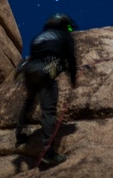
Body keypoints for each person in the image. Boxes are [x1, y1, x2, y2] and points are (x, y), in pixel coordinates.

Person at [15, 13, 78, 165]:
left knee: (29, 101)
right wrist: (73, 78)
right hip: (45, 72)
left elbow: (35, 54)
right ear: (63, 24)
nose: (69, 30)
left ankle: (19, 134)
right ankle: (48, 153)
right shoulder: (64, 36)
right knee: (48, 111)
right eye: (68, 26)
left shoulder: (39, 37)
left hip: (29, 71)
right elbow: (70, 58)